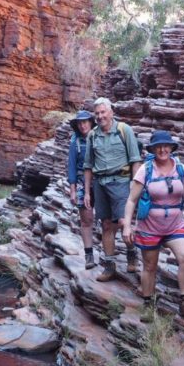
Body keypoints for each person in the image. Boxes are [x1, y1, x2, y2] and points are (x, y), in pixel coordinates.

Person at [122, 131, 184, 321]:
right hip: (149, 226)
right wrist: (127, 226)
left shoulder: (180, 169)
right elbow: (132, 200)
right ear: (153, 149)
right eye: (158, 146)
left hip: (175, 224)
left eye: (166, 146)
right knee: (150, 266)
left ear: (172, 148)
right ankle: (148, 305)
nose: (163, 149)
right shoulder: (146, 170)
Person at [84, 97, 142, 282]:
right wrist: (86, 191)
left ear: (111, 112)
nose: (100, 116)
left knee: (125, 222)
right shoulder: (92, 135)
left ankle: (132, 253)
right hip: (100, 184)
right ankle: (109, 267)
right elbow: (87, 166)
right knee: (106, 225)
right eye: (97, 113)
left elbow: (135, 160)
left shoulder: (124, 130)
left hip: (121, 182)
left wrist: (135, 185)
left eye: (103, 112)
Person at [66, 110, 97, 268]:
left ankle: (110, 255)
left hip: (99, 183)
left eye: (85, 121)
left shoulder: (99, 137)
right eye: (80, 123)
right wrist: (72, 190)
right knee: (86, 220)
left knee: (108, 220)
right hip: (80, 183)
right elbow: (71, 166)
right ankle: (89, 256)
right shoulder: (75, 141)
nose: (83, 125)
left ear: (91, 122)